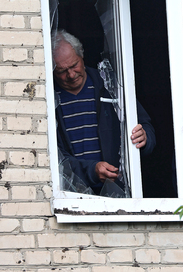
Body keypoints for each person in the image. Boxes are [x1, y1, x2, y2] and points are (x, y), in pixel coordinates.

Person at [52, 30, 155, 194]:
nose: (70, 75)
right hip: (72, 195)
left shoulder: (110, 86)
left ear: (82, 56)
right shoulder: (50, 101)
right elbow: (56, 157)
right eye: (61, 71)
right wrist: (92, 171)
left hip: (119, 192)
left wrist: (145, 138)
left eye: (74, 66)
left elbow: (147, 129)